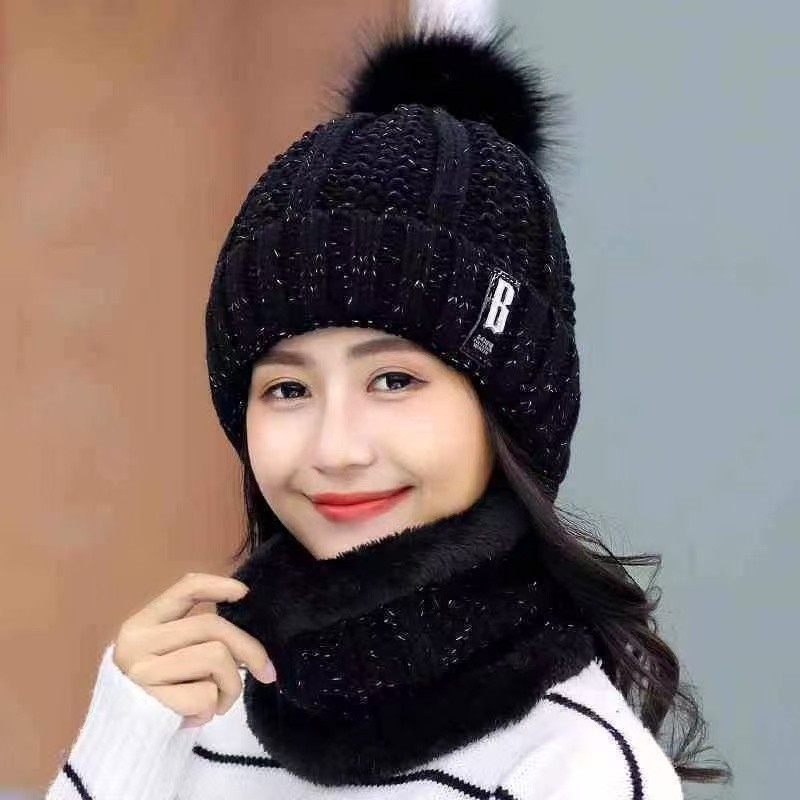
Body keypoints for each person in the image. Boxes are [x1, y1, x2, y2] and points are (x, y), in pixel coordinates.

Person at [45, 22, 732, 800]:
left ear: (506, 409)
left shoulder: (574, 766)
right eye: (288, 390)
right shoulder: (184, 713)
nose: (335, 449)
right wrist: (121, 744)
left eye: (394, 380)